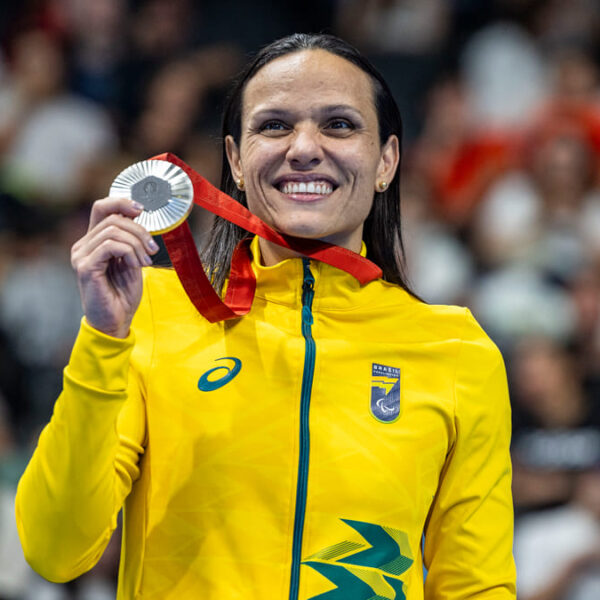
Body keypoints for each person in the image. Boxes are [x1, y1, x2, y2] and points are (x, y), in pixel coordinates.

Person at [15, 33, 516, 599]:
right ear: (234, 159)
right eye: (274, 125)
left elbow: (477, 587)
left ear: (387, 161)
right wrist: (104, 339)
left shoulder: (456, 351)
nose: (304, 147)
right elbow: (56, 550)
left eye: (340, 125)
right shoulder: (151, 314)